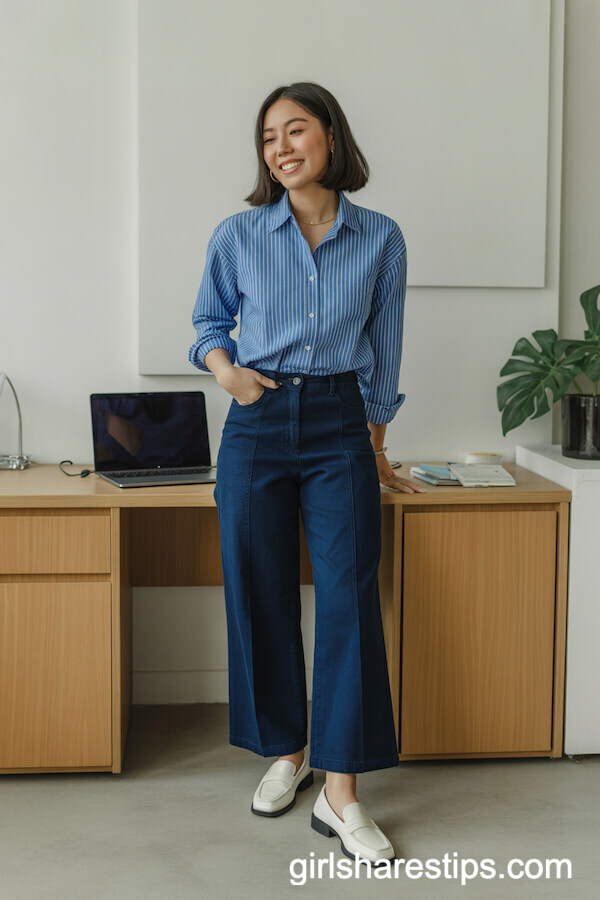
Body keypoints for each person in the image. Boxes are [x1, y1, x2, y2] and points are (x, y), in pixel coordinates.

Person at [188, 81, 425, 865]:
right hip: (256, 421)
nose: (281, 148)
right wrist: (228, 377)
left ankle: (341, 790)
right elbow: (206, 326)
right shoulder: (239, 234)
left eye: (295, 130)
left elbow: (383, 356)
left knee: (350, 598)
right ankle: (286, 750)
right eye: (267, 138)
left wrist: (378, 447)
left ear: (331, 136)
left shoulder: (381, 237)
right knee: (257, 588)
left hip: (337, 425)